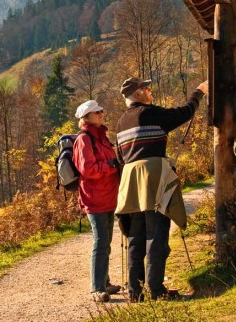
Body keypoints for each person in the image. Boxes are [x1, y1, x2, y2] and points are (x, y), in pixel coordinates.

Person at [114, 77, 208, 302]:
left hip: (129, 180)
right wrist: (199, 92)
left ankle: (135, 293)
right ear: (138, 95)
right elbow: (183, 113)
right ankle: (156, 291)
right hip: (152, 176)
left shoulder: (120, 122)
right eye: (147, 89)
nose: (150, 92)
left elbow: (119, 157)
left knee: (136, 237)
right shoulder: (149, 113)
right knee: (157, 234)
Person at [72, 99, 122, 303]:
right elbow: (89, 169)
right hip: (95, 199)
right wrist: (112, 165)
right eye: (97, 111)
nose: (101, 113)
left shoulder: (101, 137)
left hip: (108, 197)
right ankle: (96, 288)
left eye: (101, 110)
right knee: (100, 243)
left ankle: (105, 282)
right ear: (86, 117)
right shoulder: (84, 139)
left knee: (106, 242)